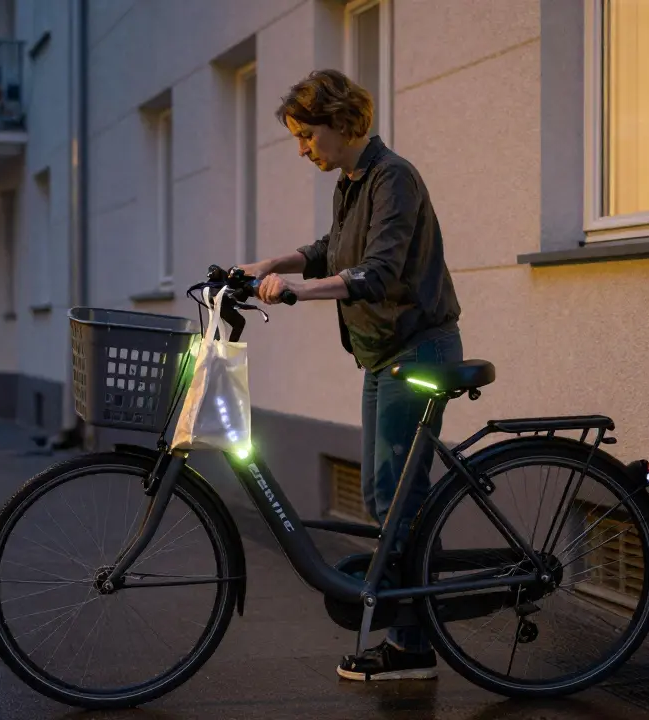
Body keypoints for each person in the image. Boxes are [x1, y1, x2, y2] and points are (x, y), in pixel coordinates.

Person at [239, 69, 463, 682]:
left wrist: (299, 292)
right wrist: (263, 265)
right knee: (382, 499)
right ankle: (412, 628)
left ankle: (415, 645)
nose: (303, 148)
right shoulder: (353, 181)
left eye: (307, 135)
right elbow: (330, 249)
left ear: (339, 123)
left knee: (398, 503)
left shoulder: (395, 178)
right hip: (383, 354)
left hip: (417, 353)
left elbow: (379, 272)